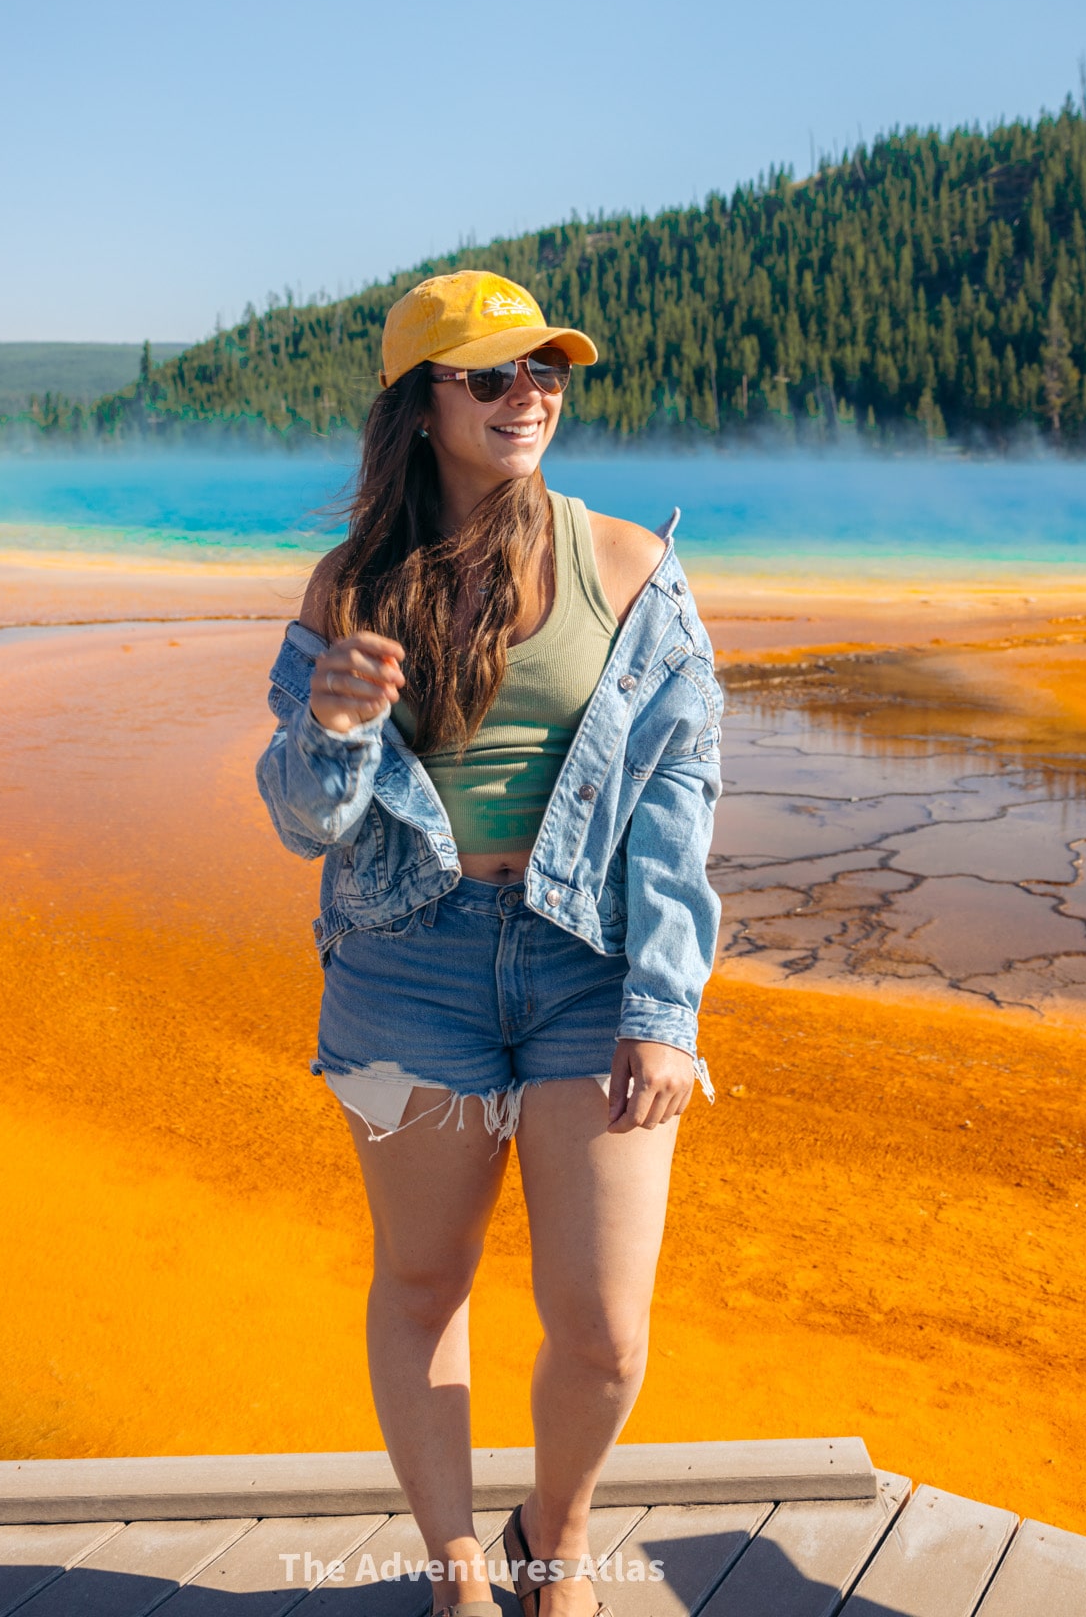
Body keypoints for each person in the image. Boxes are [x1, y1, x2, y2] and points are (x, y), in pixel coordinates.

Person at [257, 270, 723, 1617]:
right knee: (422, 1280)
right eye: (494, 376)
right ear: (421, 406)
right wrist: (331, 727)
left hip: (593, 960)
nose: (532, 397)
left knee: (603, 1328)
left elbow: (681, 799)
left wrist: (665, 1007)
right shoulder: (350, 584)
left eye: (547, 372)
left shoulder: (630, 564)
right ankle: (460, 1564)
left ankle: (553, 1542)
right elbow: (302, 822)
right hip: (409, 957)